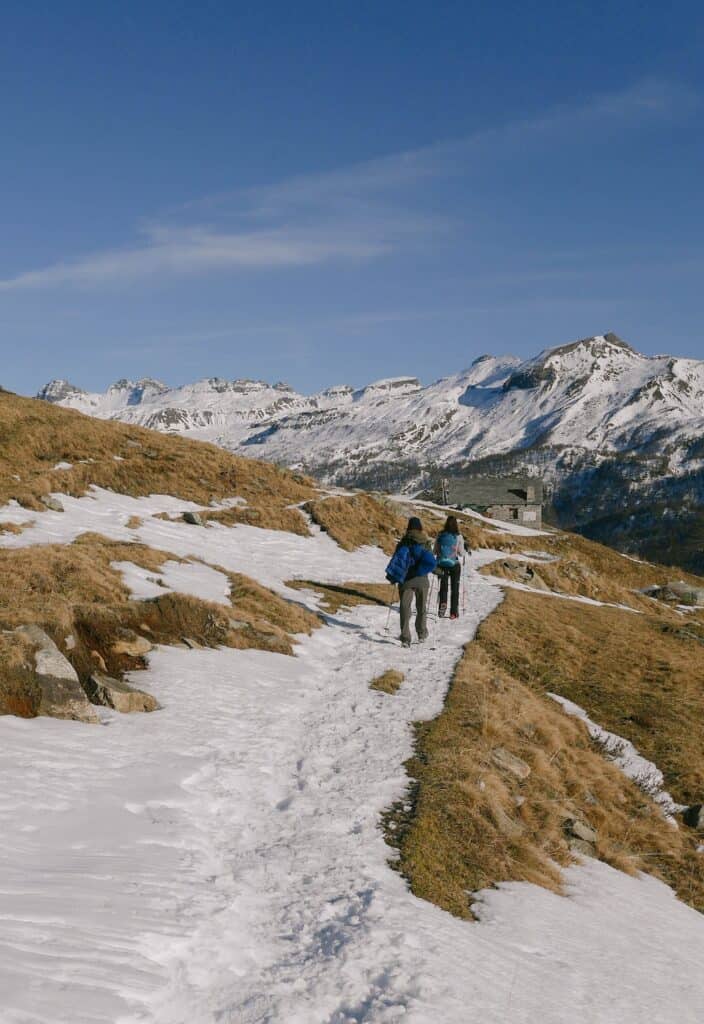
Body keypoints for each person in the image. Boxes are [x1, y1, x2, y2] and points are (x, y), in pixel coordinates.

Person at [385, 516, 437, 647]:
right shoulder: (426, 543)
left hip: (406, 580)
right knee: (421, 608)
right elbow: (431, 561)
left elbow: (397, 561)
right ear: (420, 528)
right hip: (422, 579)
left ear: (408, 527)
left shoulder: (403, 543)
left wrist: (394, 576)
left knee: (405, 608)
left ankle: (405, 638)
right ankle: (421, 633)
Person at [434, 515, 466, 619]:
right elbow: (461, 553)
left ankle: (443, 604)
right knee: (455, 588)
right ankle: (453, 613)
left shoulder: (440, 534)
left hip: (442, 564)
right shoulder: (458, 536)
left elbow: (435, 550)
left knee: (443, 586)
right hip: (454, 564)